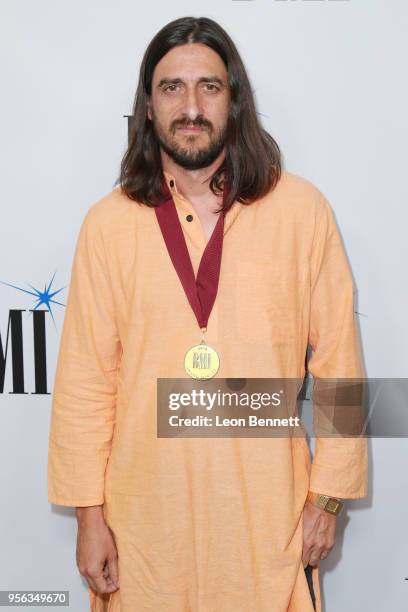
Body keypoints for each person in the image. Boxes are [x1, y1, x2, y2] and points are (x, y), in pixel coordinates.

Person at [47, 16, 368, 612]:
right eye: (171, 87)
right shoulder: (108, 225)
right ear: (147, 105)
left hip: (268, 525)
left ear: (235, 100)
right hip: (143, 532)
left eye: (209, 87)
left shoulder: (301, 210)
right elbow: (87, 382)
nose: (190, 106)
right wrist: (89, 518)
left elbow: (339, 366)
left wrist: (327, 498)